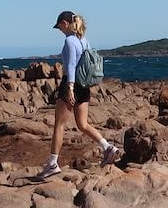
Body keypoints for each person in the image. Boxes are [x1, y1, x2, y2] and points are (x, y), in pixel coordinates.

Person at [42, 10, 119, 179]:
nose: (59, 30)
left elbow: (70, 66)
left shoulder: (69, 41)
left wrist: (69, 88)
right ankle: (108, 148)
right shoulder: (84, 40)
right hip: (84, 86)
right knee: (83, 124)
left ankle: (52, 164)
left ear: (65, 23)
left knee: (59, 125)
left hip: (72, 85)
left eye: (59, 26)